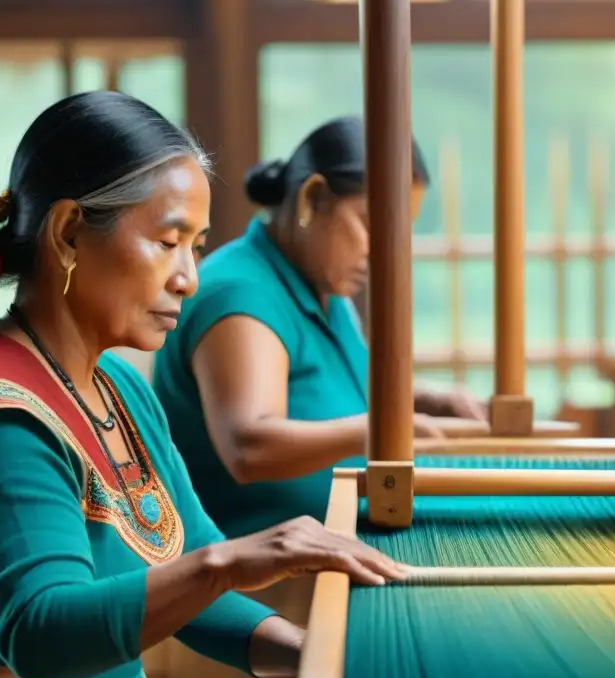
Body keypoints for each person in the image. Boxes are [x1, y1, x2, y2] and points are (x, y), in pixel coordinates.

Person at [0, 91, 405, 678]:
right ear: (68, 232)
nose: (188, 277)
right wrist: (228, 563)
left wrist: (309, 653)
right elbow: (40, 634)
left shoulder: (115, 383)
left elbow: (190, 557)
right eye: (167, 241)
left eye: (197, 246)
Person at [152, 117, 486, 547]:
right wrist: (382, 428)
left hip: (333, 547)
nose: (388, 250)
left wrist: (424, 397)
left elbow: (335, 392)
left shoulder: (324, 289)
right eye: (371, 223)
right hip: (258, 582)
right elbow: (250, 446)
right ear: (312, 198)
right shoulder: (241, 294)